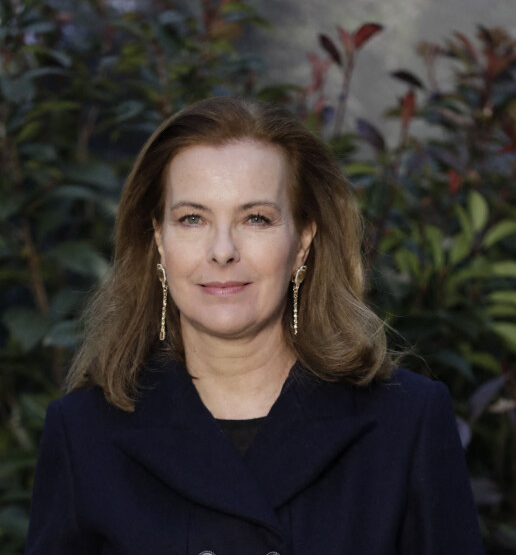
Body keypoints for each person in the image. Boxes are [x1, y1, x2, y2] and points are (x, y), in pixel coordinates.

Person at [25, 96, 483, 554]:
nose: (222, 250)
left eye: (256, 218)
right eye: (192, 219)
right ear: (159, 240)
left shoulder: (408, 423)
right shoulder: (82, 434)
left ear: (303, 241)